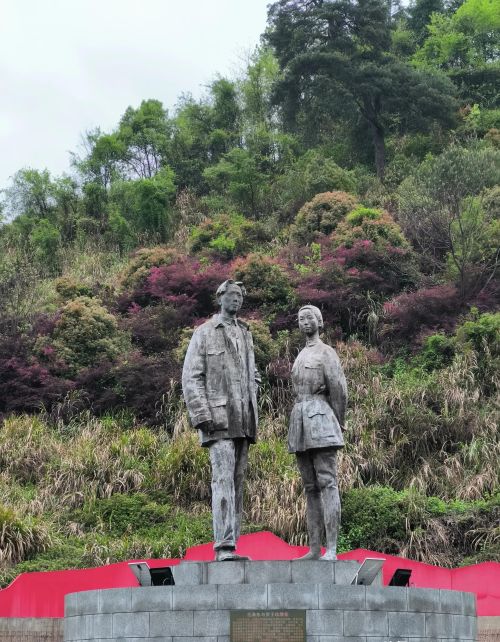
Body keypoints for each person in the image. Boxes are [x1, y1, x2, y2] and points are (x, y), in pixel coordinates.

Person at [182, 280, 260, 561]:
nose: (237, 299)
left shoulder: (246, 333)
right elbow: (191, 377)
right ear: (220, 297)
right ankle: (223, 546)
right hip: (217, 420)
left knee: (237, 484)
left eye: (240, 295)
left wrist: (254, 394)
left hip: (244, 419)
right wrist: (202, 416)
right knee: (223, 480)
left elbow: (254, 374)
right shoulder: (204, 333)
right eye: (232, 295)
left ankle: (232, 545)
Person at [288, 305, 347, 560]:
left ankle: (331, 548)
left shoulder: (327, 352)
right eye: (301, 319)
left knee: (327, 483)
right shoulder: (300, 355)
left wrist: (336, 421)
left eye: (309, 317)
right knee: (310, 487)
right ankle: (314, 548)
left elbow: (339, 391)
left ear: (320, 322)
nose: (304, 322)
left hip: (321, 417)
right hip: (299, 420)